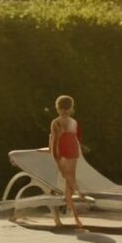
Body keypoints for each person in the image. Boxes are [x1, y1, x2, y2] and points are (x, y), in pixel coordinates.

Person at [48, 95, 86, 229]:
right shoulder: (60, 122)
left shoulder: (70, 122)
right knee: (68, 178)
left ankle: (75, 215)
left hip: (70, 150)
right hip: (65, 150)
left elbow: (75, 138)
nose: (64, 111)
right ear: (58, 109)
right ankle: (78, 197)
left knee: (69, 180)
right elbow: (54, 140)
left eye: (66, 109)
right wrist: (55, 156)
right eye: (62, 109)